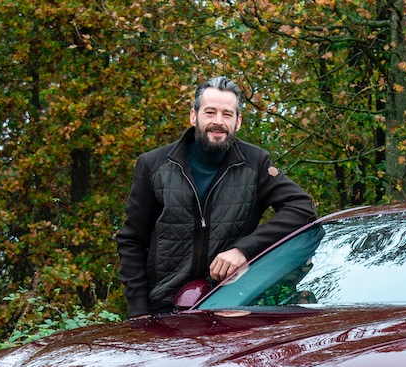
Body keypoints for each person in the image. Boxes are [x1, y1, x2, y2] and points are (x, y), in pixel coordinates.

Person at [116, 76, 316, 318]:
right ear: (194, 116)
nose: (218, 121)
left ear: (238, 121)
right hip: (163, 311)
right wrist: (139, 311)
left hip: (230, 307)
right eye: (210, 112)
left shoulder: (255, 164)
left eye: (227, 114)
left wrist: (243, 250)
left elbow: (302, 209)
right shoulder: (153, 165)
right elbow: (132, 241)